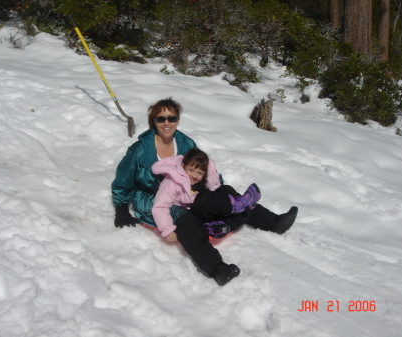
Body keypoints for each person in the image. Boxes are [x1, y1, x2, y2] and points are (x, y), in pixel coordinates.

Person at [111, 97, 298, 286]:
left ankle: (273, 222)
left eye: (172, 118)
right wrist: (121, 208)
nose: (166, 123)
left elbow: (204, 167)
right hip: (155, 199)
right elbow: (123, 180)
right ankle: (217, 269)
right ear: (153, 121)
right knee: (187, 222)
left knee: (226, 193)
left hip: (187, 192)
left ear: (177, 120)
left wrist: (220, 191)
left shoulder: (185, 143)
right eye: (161, 119)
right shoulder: (140, 151)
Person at [151, 148, 261, 241]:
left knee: (236, 203)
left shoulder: (200, 181)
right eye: (191, 170)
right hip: (189, 212)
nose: (194, 175)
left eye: (199, 173)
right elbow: (160, 206)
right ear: (183, 166)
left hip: (204, 215)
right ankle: (238, 205)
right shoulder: (172, 182)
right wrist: (167, 229)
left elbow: (214, 187)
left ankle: (220, 227)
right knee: (207, 198)